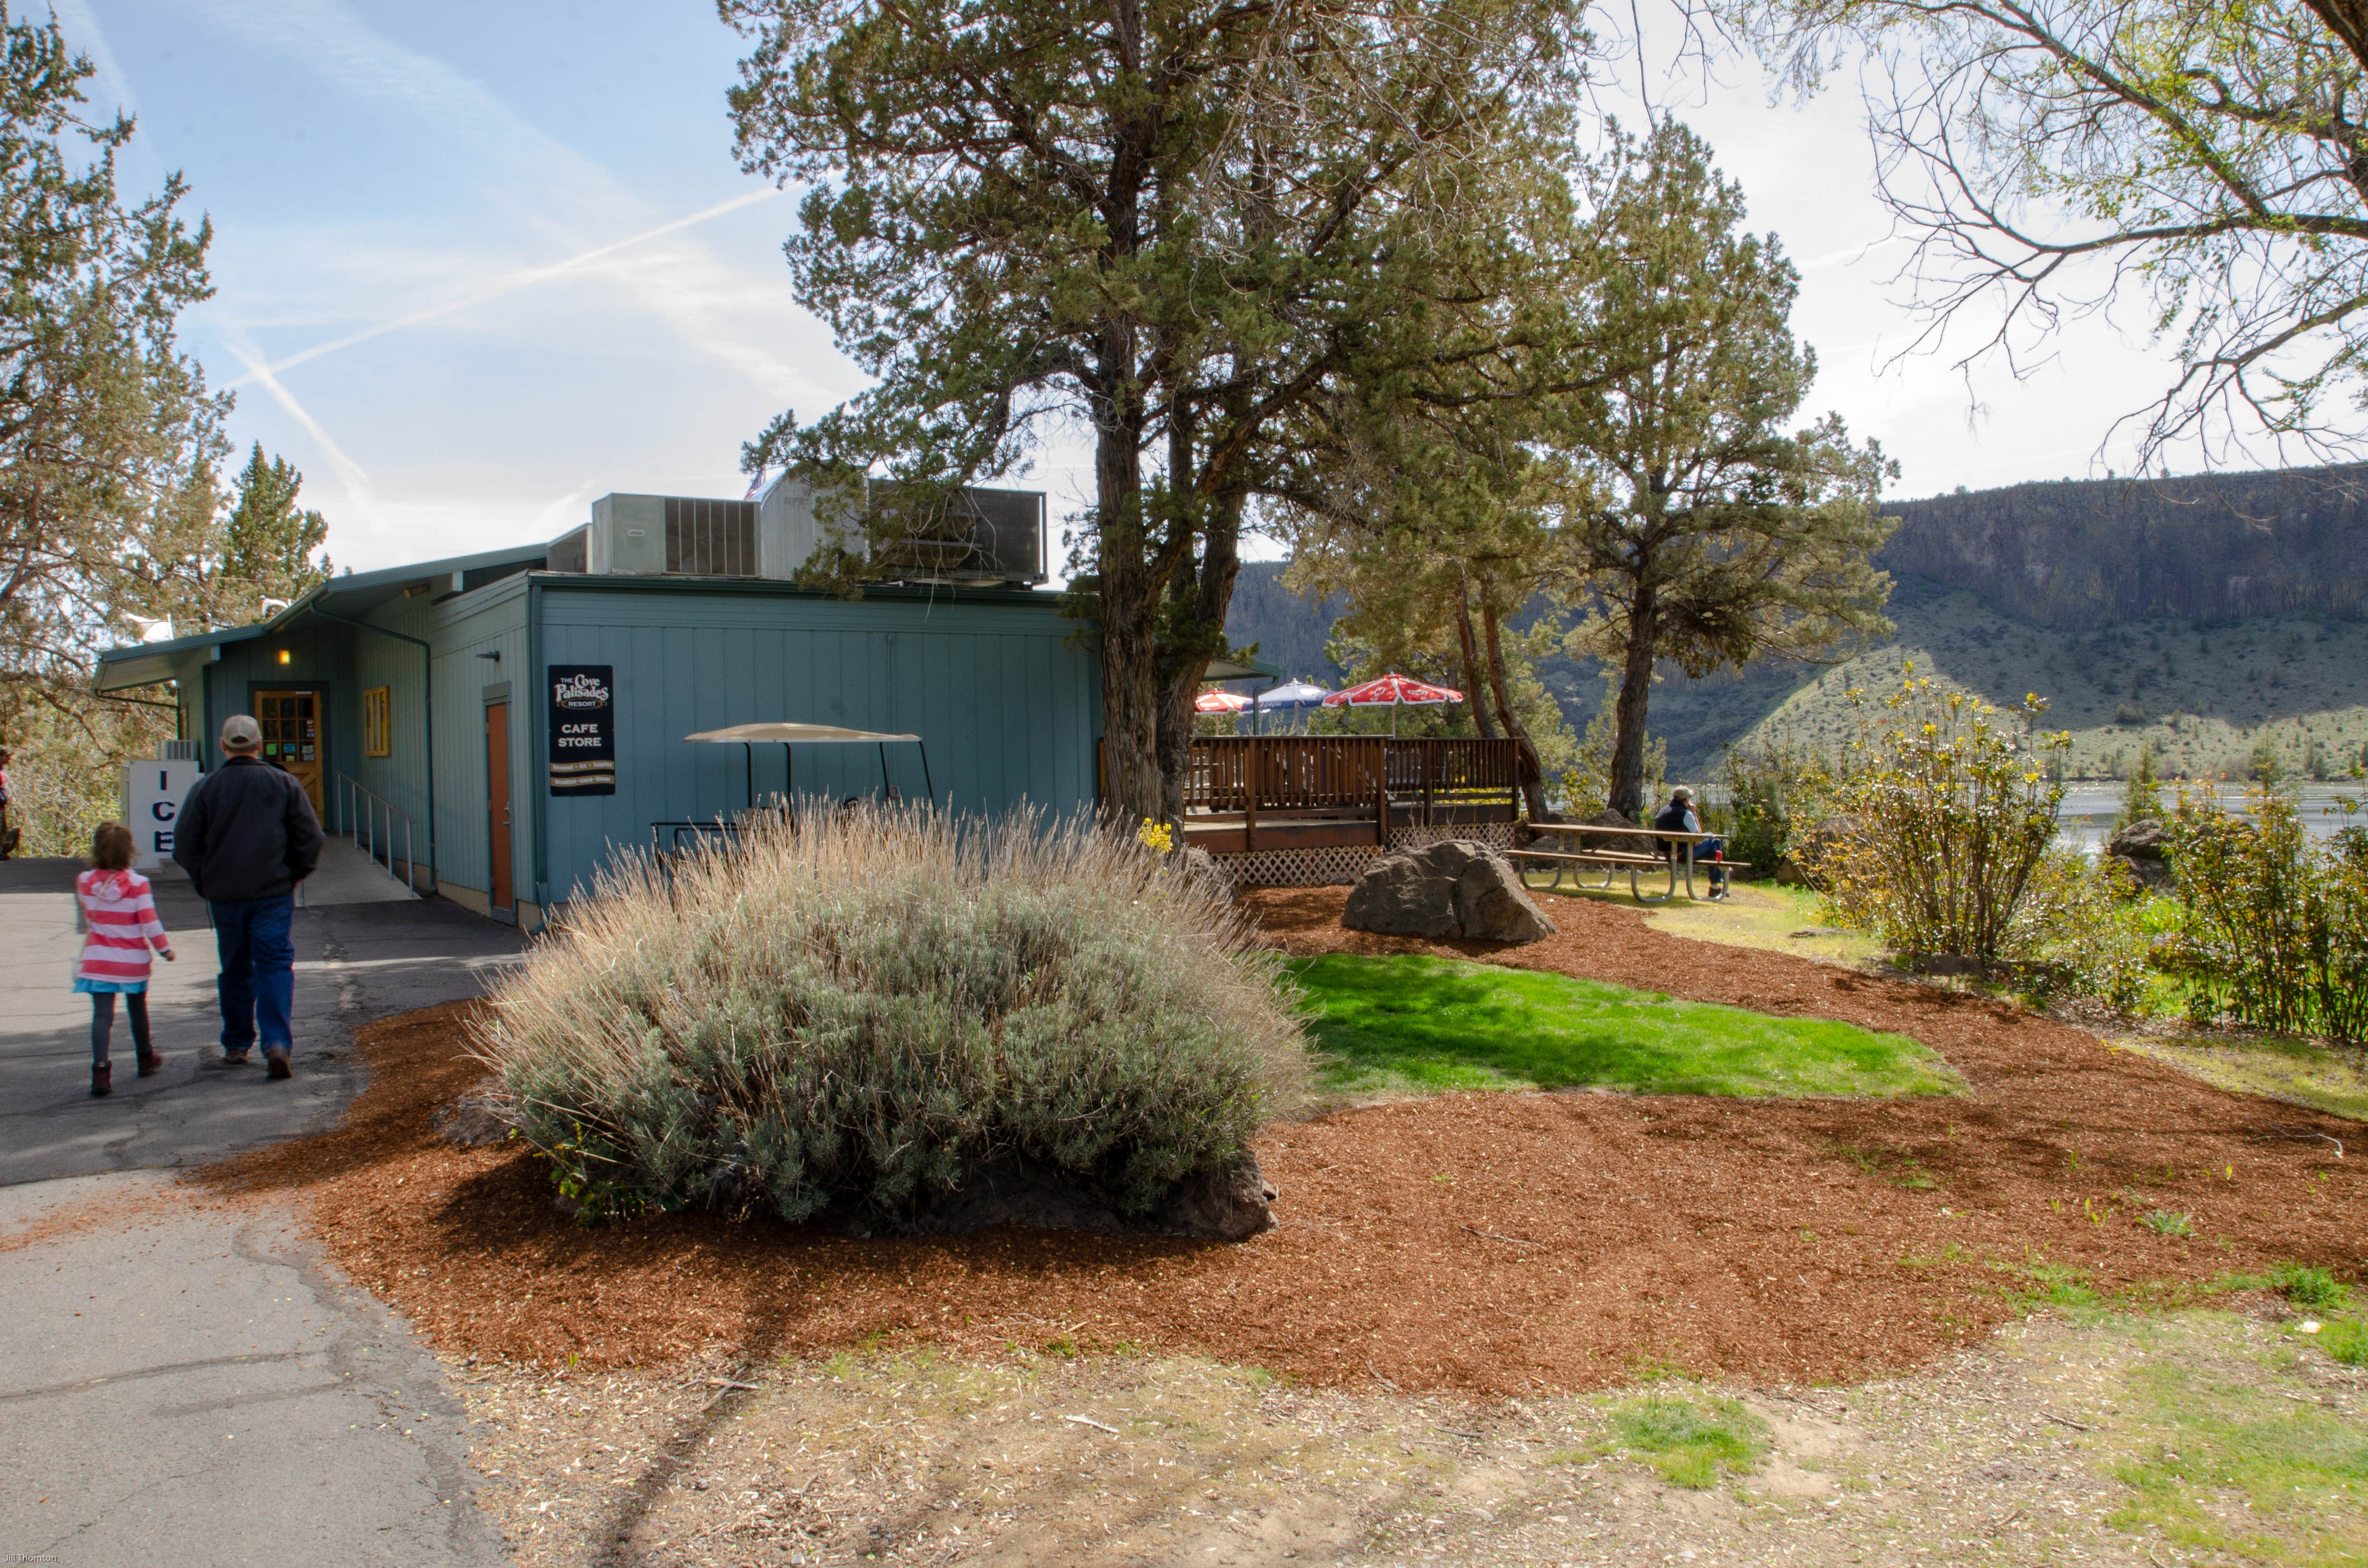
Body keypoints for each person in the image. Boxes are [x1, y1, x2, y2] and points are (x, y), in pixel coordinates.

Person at [173, 714, 323, 1078]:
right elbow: (311, 838)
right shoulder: (285, 783)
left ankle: (237, 1043)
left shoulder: (206, 789)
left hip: (225, 897)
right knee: (274, 966)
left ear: (224, 747)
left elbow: (184, 846)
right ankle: (277, 1043)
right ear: (260, 745)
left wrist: (205, 881)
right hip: (272, 893)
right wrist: (294, 876)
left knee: (236, 969)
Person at [75, 821, 175, 1097]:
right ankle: (145, 1057)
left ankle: (100, 1071)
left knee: (102, 1016)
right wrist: (165, 950)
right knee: (137, 1009)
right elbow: (150, 923)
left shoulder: (85, 881)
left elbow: (88, 911)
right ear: (130, 850)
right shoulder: (138, 884)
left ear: (96, 850)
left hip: (98, 960)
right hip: (132, 962)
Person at [1652, 785, 1728, 898]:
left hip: (1668, 854)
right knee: (1715, 841)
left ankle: (1717, 882)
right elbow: (1699, 836)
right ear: (1686, 799)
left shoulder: (1663, 811)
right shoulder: (1686, 814)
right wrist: (1694, 813)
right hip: (1682, 854)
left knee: (1710, 836)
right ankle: (1716, 883)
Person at [0, 745, 16, 859]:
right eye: (7, 756)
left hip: (2, 804)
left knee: (3, 829)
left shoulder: (2, 770)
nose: (9, 759)